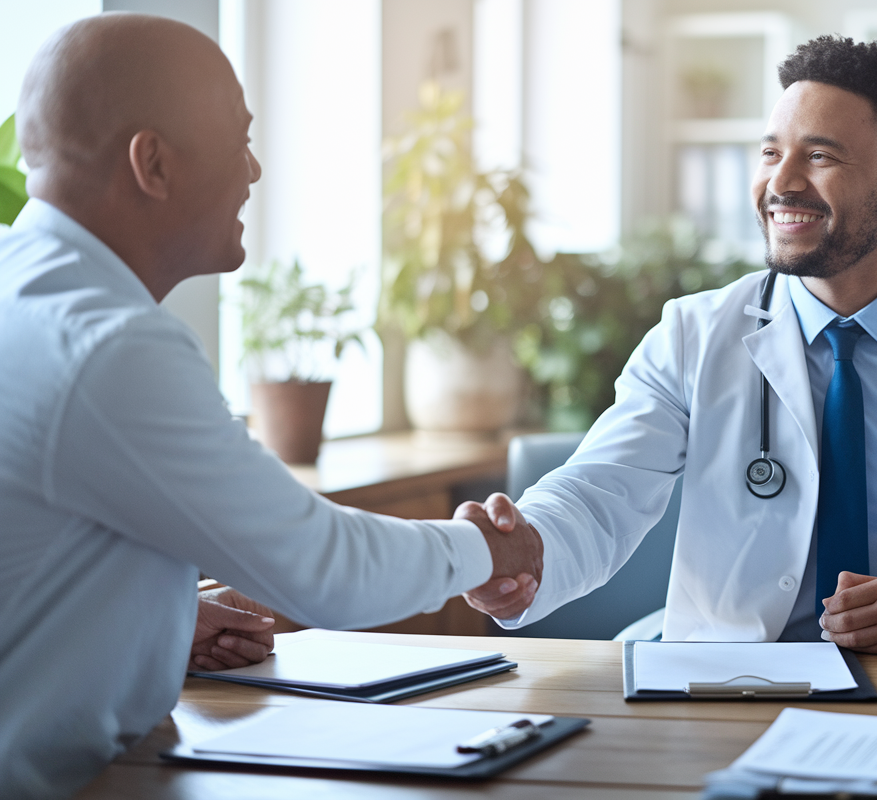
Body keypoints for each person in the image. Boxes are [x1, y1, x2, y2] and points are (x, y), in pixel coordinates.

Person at [0, 14, 539, 799]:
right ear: (152, 162)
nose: (253, 170)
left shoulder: (22, 295)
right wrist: (491, 551)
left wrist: (153, 622)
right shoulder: (109, 345)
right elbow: (327, 569)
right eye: (238, 139)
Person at [466, 37, 877, 650]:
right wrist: (528, 545)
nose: (782, 183)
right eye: (772, 153)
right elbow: (599, 491)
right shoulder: (692, 336)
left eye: (820, 156)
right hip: (731, 692)